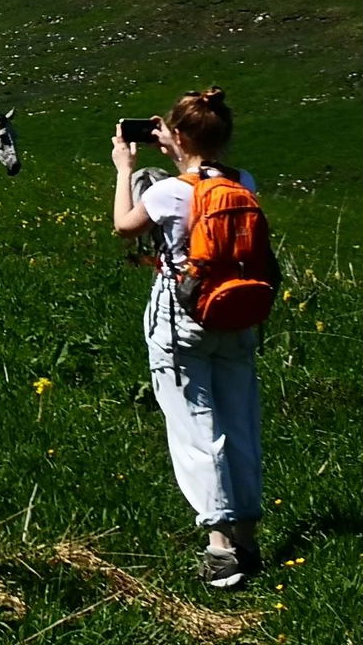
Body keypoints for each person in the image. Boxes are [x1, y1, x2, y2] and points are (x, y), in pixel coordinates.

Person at [110, 87, 263, 589]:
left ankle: (219, 550)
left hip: (181, 321)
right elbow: (205, 178)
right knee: (240, 422)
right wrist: (183, 150)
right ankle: (248, 538)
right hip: (237, 315)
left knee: (196, 429)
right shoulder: (245, 182)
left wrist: (123, 168)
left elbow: (123, 228)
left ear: (176, 136)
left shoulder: (163, 192)